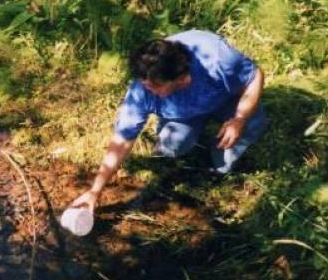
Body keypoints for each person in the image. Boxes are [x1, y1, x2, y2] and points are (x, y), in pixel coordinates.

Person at [71, 29, 266, 214]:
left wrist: (239, 119)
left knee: (251, 125)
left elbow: (254, 76)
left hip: (225, 98)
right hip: (184, 113)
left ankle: (217, 167)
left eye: (155, 86)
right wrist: (95, 190)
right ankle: (194, 139)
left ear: (181, 79)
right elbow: (122, 140)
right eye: (144, 84)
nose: (147, 90)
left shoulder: (217, 60)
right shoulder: (142, 90)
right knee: (172, 144)